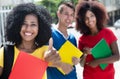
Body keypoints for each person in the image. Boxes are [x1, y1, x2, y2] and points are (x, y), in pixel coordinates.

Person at [0, 3, 64, 79]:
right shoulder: (5, 52)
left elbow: (67, 68)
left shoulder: (46, 52)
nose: (28, 28)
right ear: (16, 25)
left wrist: (57, 61)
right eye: (24, 23)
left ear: (40, 28)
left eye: (33, 24)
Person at [75, 1, 120, 79]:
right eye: (86, 18)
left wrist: (97, 61)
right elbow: (82, 64)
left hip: (107, 76)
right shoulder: (82, 39)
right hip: (89, 76)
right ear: (82, 21)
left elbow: (117, 56)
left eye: (92, 16)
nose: (89, 20)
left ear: (97, 15)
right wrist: (85, 54)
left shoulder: (108, 33)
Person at [47, 1, 79, 79]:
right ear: (58, 14)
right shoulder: (49, 33)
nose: (69, 17)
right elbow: (41, 59)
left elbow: (75, 61)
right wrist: (61, 64)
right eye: (66, 14)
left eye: (71, 15)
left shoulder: (72, 38)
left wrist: (76, 61)